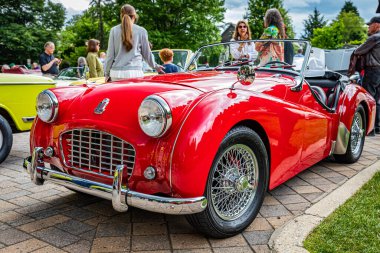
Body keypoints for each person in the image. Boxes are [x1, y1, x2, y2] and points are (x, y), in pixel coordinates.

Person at [104, 4, 162, 81]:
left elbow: (110, 55)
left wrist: (107, 73)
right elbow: (147, 54)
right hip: (136, 73)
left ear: (121, 16)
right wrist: (156, 67)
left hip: (116, 73)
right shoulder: (141, 31)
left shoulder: (114, 30)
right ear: (134, 16)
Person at [350, 16, 380, 134]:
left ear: (377, 25)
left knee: (369, 98)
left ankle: (369, 130)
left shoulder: (375, 38)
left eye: (370, 24)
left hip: (373, 71)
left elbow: (358, 50)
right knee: (377, 99)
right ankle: (377, 127)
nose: (368, 27)